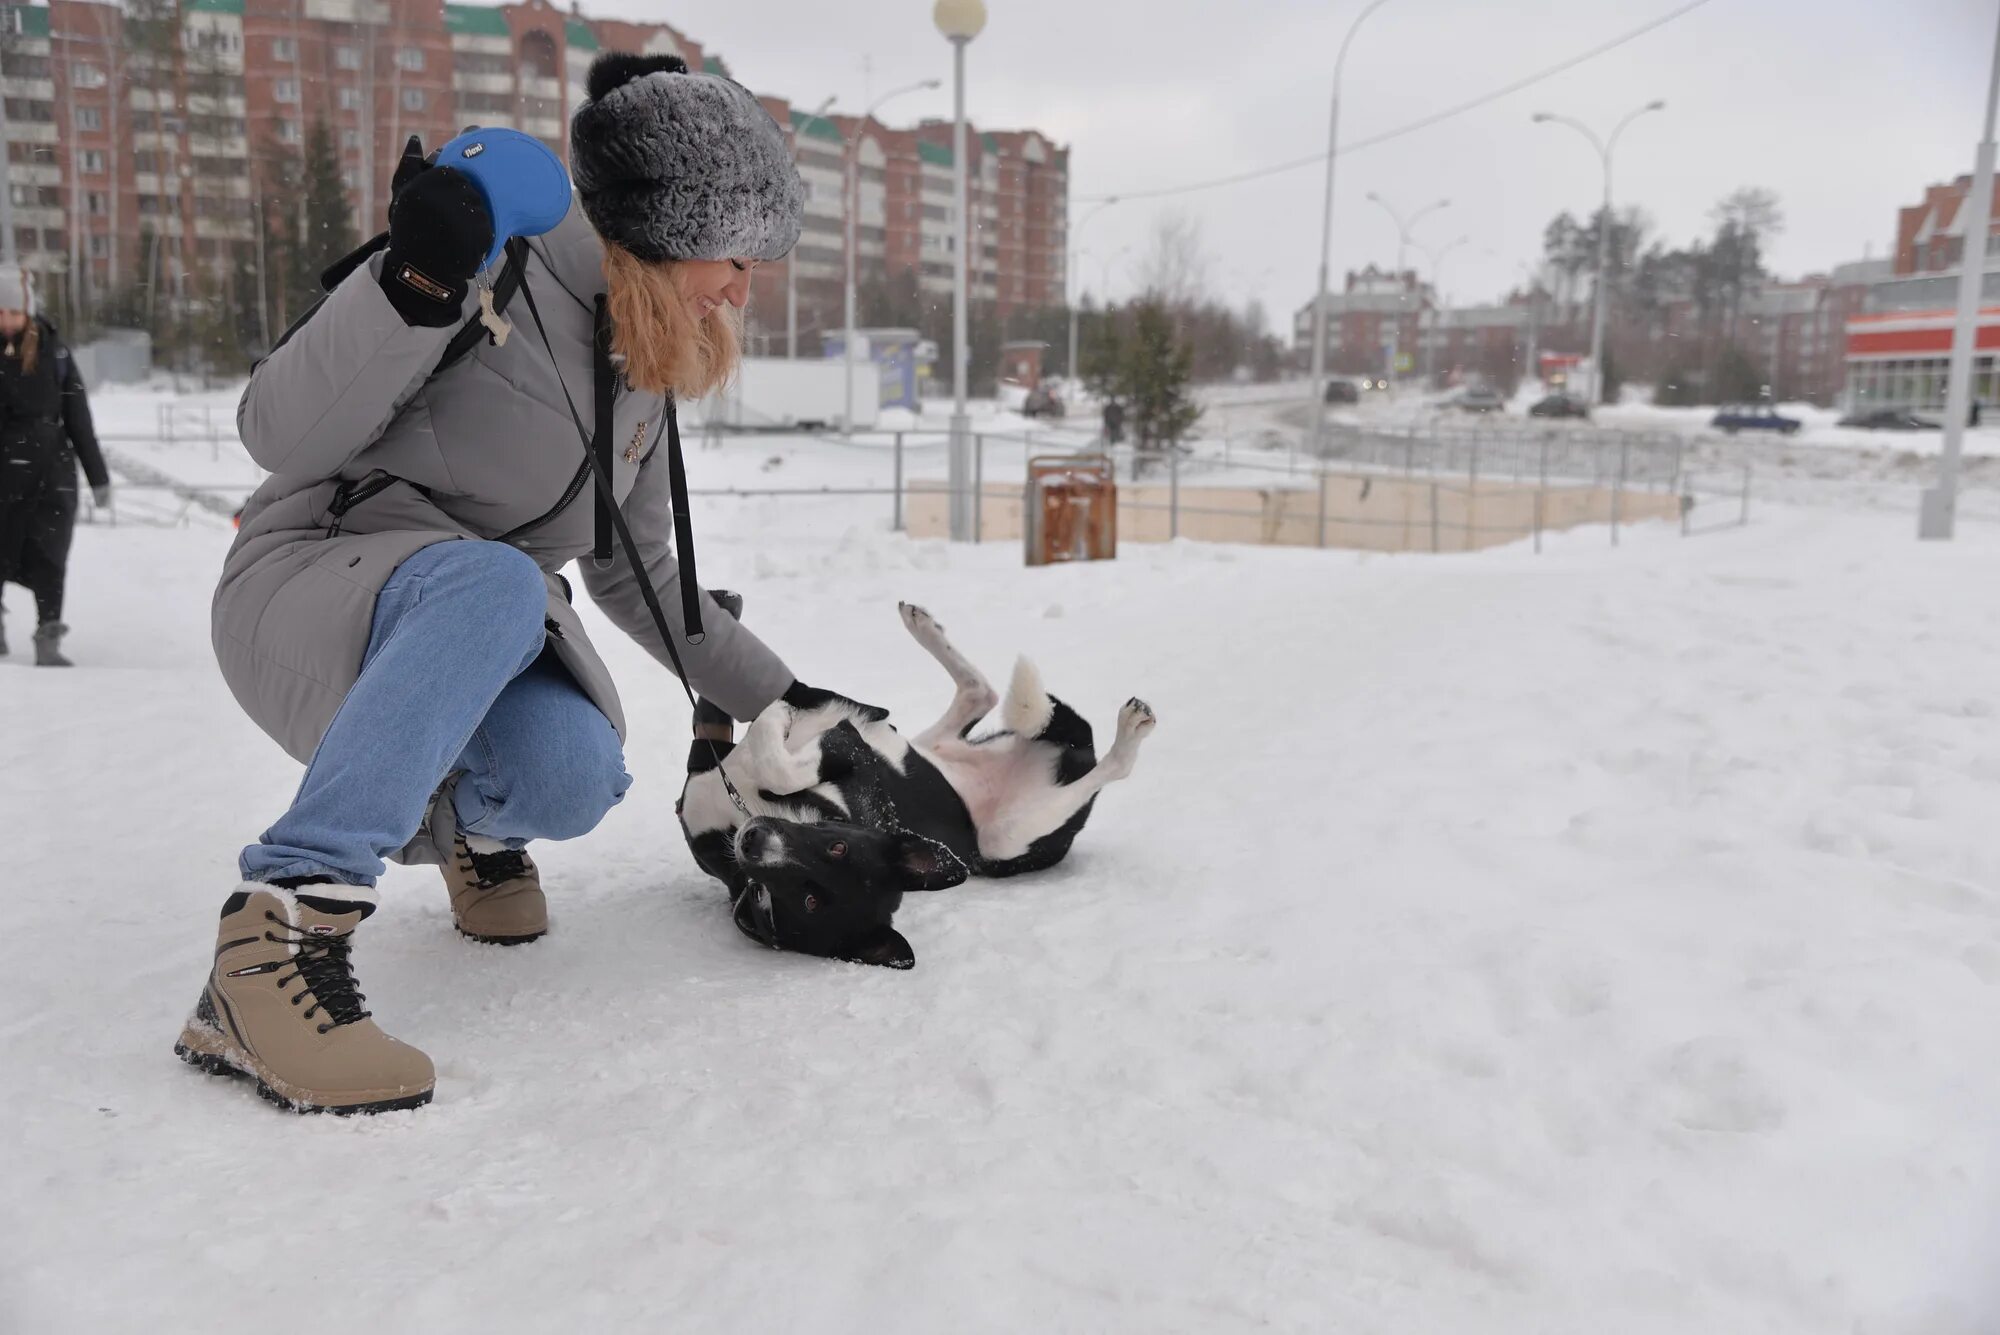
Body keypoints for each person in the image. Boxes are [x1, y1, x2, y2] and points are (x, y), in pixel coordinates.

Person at [177, 52, 871, 1115]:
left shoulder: (641, 363)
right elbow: (273, 434)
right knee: (499, 583)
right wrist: (407, 282)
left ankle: (479, 837)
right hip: (312, 583)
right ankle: (276, 936)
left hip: (477, 617)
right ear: (669, 228)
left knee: (574, 771)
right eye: (734, 255)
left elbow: (640, 579)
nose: (742, 286)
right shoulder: (484, 260)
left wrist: (794, 704)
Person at [0, 264, 109, 666]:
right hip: (3, 470)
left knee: (50, 552)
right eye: (0, 312)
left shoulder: (56, 352)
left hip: (51, 471)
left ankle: (48, 637)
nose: (7, 321)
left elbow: (78, 417)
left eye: (13, 312)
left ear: (27, 311)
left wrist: (98, 477)